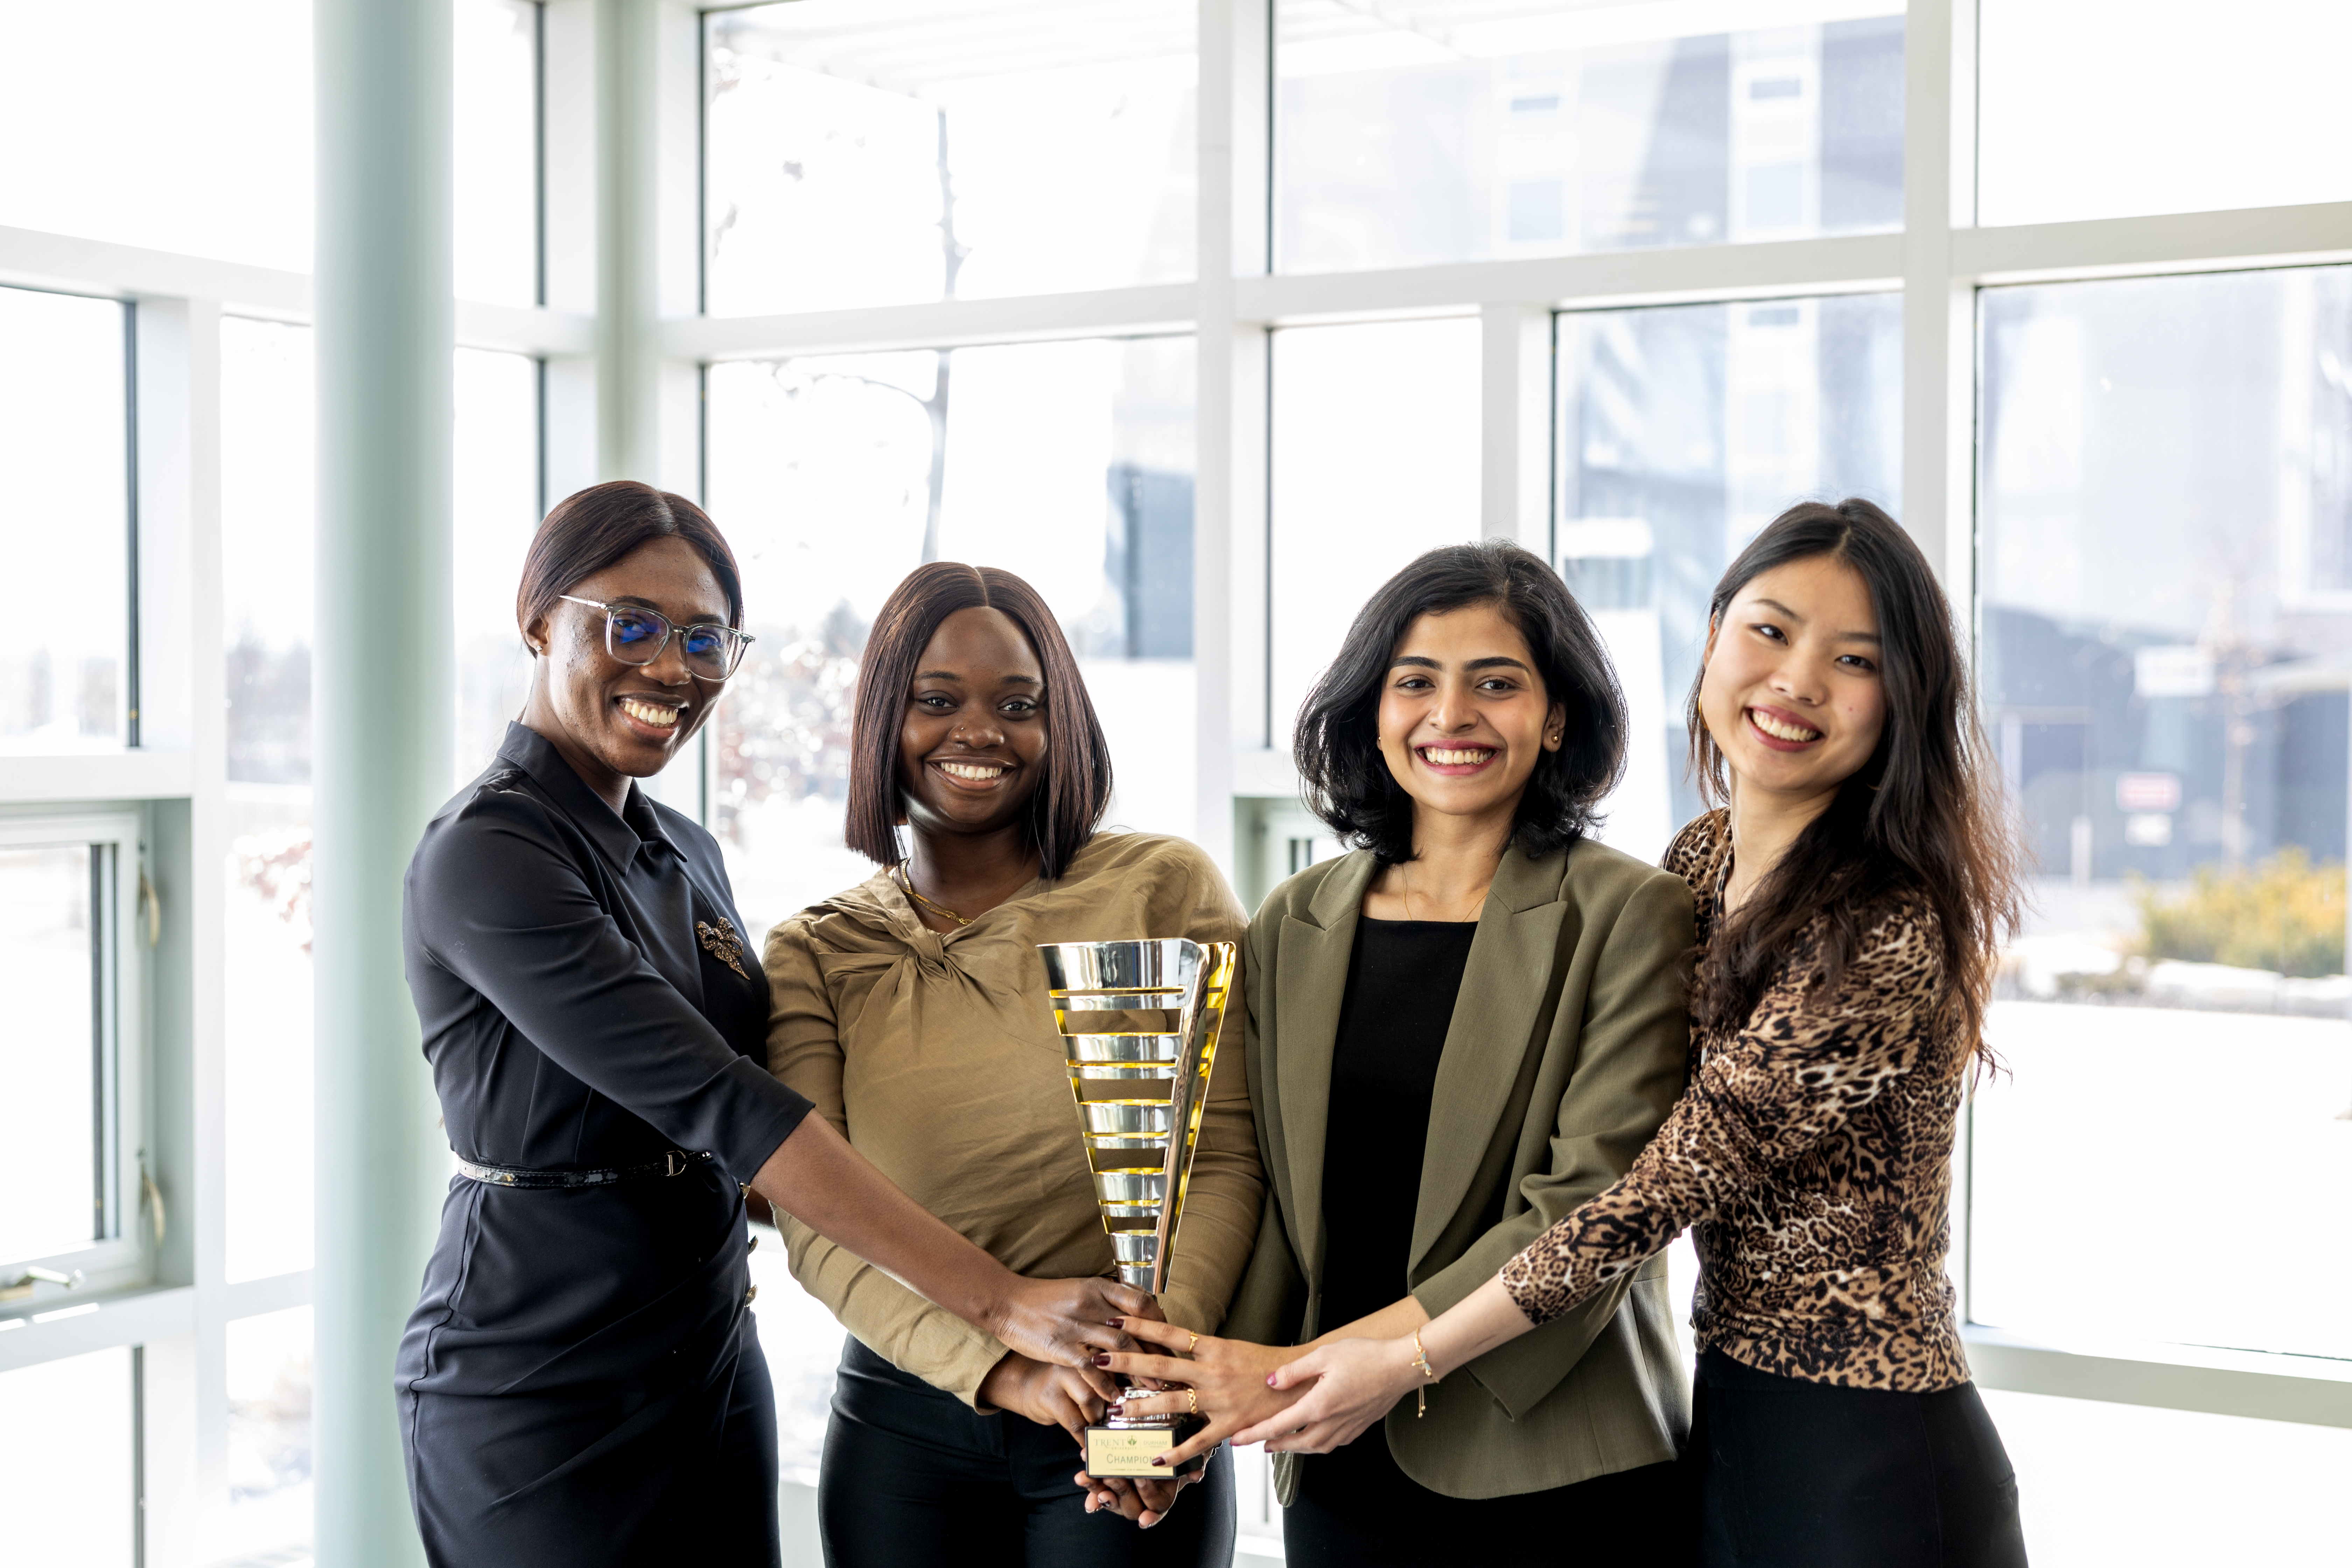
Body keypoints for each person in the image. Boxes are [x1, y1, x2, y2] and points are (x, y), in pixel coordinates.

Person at [1231, 500, 2030, 1568]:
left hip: (1870, 1438)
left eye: (1854, 659)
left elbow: (1640, 1199)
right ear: (1712, 639)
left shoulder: (1881, 922)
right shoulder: (1702, 861)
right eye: (1770, 631)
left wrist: (1404, 1357)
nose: (1796, 681)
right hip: (1732, 1416)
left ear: (1904, 701)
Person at [397, 484, 1151, 1568]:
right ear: (537, 620)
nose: (671, 668)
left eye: (705, 638)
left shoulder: (684, 852)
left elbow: (777, 1120)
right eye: (634, 625)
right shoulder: (489, 854)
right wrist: (1001, 1302)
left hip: (706, 1346)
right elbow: (719, 1096)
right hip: (538, 1372)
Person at [1095, 540, 1698, 1566]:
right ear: (1372, 712)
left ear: (1557, 719)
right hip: (1340, 1461)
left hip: (1553, 1468)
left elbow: (1585, 1214)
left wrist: (1329, 1370)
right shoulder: (1298, 918)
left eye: (1496, 684)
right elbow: (1289, 1207)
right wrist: (1195, 1406)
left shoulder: (1631, 913)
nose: (1450, 715)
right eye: (1414, 681)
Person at [761, 561, 1264, 1567]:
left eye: (1018, 703)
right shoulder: (814, 953)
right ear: (879, 725)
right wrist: (1005, 1371)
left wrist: (1155, 1375)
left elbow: (1226, 1158)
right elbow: (818, 1224)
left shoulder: (1160, 889)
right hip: (904, 1424)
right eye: (935, 701)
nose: (978, 730)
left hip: (1124, 1401)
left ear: (1061, 721)